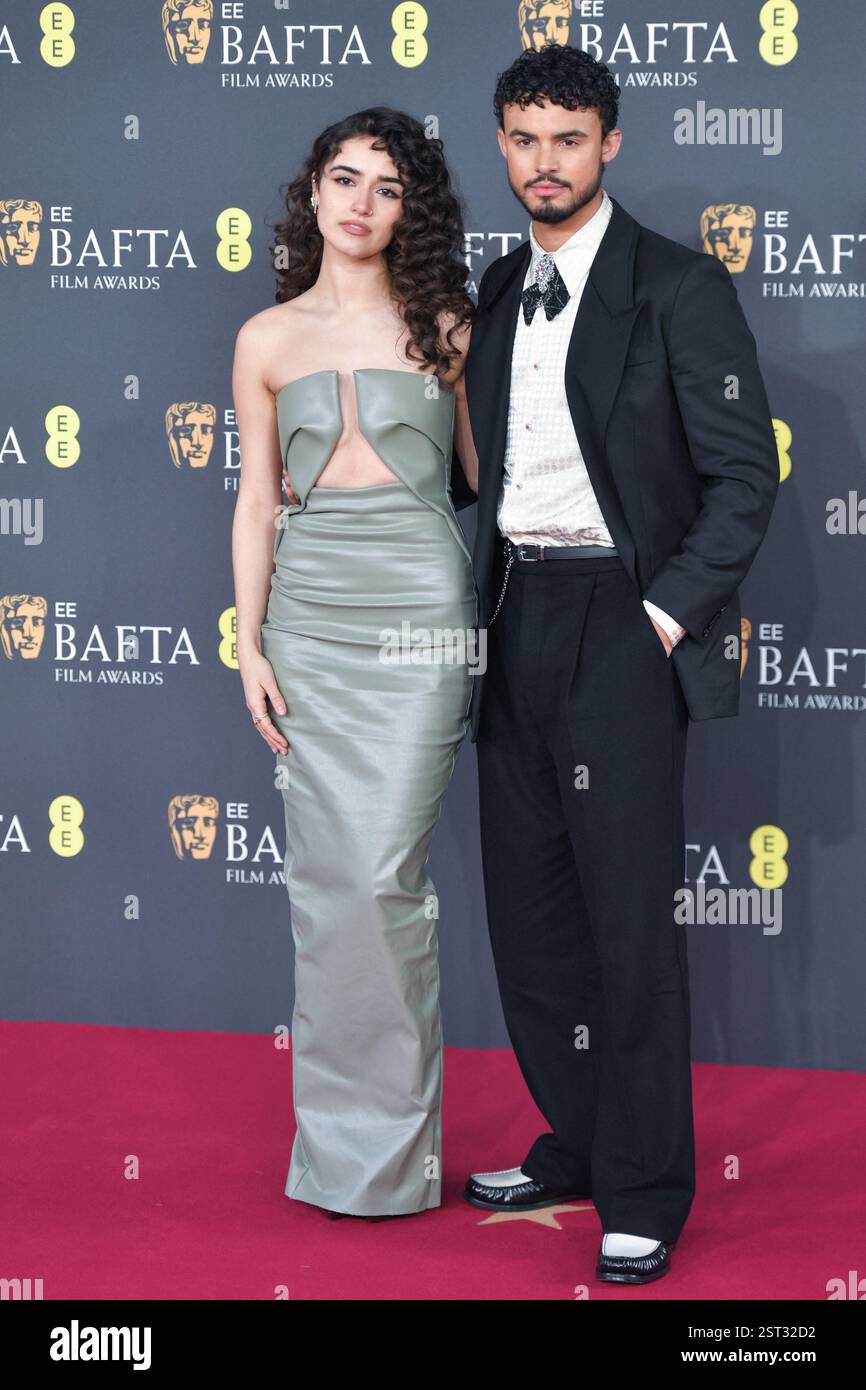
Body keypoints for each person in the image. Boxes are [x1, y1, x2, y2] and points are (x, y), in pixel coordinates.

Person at [461, 44, 778, 1283]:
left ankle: (644, 1185)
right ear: (501, 144)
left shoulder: (678, 286)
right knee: (530, 918)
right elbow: (476, 475)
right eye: (525, 139)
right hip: (512, 617)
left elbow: (743, 479)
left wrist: (659, 619)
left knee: (627, 927)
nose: (545, 162)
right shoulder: (496, 288)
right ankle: (582, 1139)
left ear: (610, 145)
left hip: (621, 622)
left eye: (568, 139)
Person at [231, 108, 479, 1218]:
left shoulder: (447, 328)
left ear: (408, 209)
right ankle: (340, 1158)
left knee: (385, 876)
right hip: (312, 618)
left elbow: (490, 479)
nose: (360, 201)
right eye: (344, 178)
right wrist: (251, 643)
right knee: (329, 887)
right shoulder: (265, 339)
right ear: (314, 191)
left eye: (386, 187)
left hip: (422, 612)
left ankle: (396, 1154)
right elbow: (251, 503)